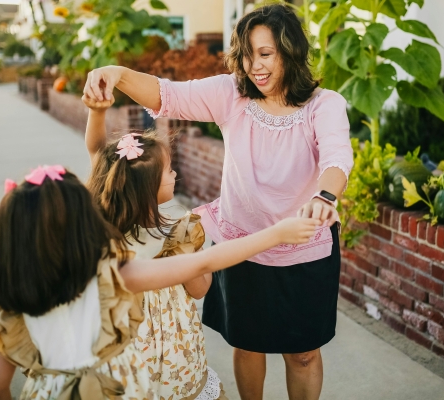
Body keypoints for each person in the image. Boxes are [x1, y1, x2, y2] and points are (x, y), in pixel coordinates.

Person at [83, 4, 354, 399]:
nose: (255, 66)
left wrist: (325, 195)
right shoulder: (232, 93)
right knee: (247, 345)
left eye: (266, 54)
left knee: (304, 356)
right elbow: (167, 95)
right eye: (247, 55)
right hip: (238, 247)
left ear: (290, 51)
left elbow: (336, 157)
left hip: (304, 248)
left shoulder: (324, 104)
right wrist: (118, 74)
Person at [0, 166, 319, 400]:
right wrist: (276, 233)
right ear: (82, 227)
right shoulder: (111, 276)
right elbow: (205, 261)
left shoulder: (14, 299)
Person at [81, 93, 223, 399]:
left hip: (125, 359)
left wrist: (97, 112)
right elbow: (200, 289)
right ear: (147, 188)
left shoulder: (105, 231)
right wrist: (192, 251)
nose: (175, 174)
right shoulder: (179, 234)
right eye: (168, 171)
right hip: (176, 357)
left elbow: (97, 152)